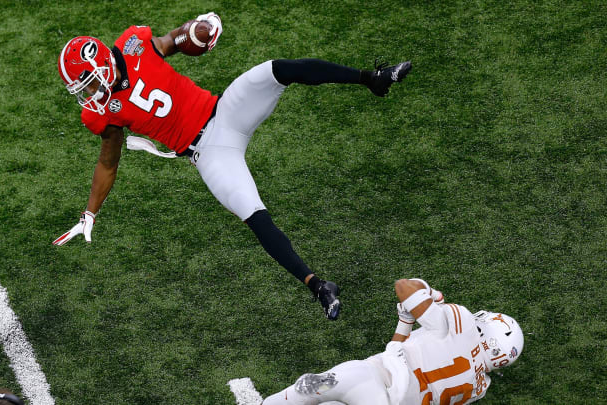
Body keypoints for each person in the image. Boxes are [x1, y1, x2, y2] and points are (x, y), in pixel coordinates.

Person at [52, 12, 412, 320]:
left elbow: (172, 42)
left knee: (279, 69)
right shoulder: (102, 114)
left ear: (102, 64)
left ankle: (373, 79)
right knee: (255, 215)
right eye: (82, 88)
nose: (90, 95)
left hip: (224, 110)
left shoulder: (134, 42)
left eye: (89, 82)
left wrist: (196, 31)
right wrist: (90, 214)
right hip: (207, 153)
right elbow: (108, 162)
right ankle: (319, 287)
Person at [262, 278, 524, 404]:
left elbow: (404, 286)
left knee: (308, 388)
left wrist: (433, 294)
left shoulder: (463, 324)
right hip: (389, 399)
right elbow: (398, 350)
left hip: (370, 378)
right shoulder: (479, 388)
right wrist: (405, 323)